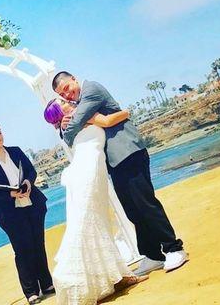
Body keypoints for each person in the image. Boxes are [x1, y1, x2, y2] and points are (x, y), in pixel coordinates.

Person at [53, 72, 188, 276]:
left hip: (129, 151)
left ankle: (174, 248)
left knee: (146, 204)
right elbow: (75, 127)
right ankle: (153, 255)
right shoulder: (79, 103)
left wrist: (69, 123)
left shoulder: (91, 89)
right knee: (132, 210)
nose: (68, 94)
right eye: (63, 94)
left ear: (73, 78)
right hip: (115, 161)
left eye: (67, 87)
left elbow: (77, 121)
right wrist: (67, 125)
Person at [44, 99, 147, 304]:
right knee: (86, 225)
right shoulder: (76, 119)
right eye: (62, 102)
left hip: (93, 172)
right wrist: (126, 110)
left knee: (99, 224)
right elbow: (107, 121)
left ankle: (117, 276)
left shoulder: (71, 121)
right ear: (59, 112)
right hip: (87, 174)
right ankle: (74, 278)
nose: (68, 101)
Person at [0, 122, 54, 304]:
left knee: (38, 244)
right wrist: (11, 193)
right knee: (22, 250)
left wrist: (28, 183)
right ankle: (31, 292)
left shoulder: (16, 151)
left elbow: (30, 171)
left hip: (33, 203)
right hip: (10, 212)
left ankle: (46, 284)